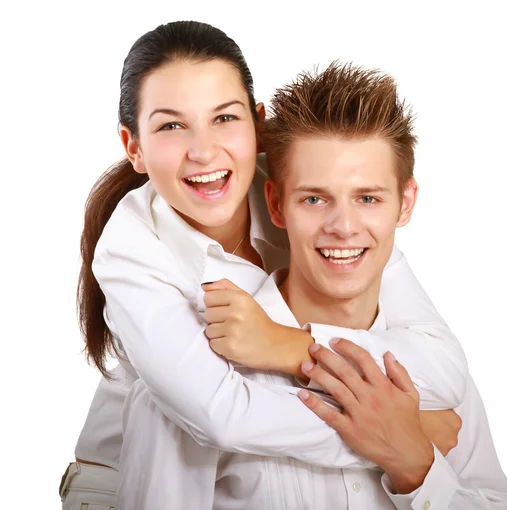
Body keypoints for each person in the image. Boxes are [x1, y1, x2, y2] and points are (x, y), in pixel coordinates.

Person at [60, 21, 467, 509]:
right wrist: (403, 435)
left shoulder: (310, 192)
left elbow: (442, 370)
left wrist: (290, 346)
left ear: (258, 124)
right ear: (134, 147)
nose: (203, 150)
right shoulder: (131, 253)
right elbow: (220, 415)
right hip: (131, 477)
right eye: (171, 125)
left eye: (225, 118)